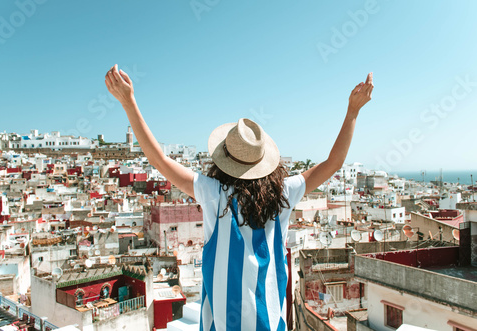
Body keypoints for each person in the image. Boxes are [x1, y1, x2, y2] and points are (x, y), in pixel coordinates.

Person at [105, 65, 374, 330]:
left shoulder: (213, 194)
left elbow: (159, 161)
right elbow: (334, 162)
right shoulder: (284, 193)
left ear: (224, 159)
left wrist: (128, 102)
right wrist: (353, 111)